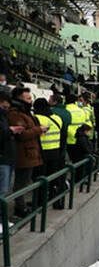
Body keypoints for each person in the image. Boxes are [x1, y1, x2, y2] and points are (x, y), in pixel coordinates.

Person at [7, 86, 47, 218]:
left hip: (31, 154)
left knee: (24, 182)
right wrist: (39, 129)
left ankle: (22, 206)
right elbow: (22, 134)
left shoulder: (25, 113)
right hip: (24, 155)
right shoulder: (15, 114)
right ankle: (20, 208)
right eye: (28, 98)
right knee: (20, 184)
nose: (31, 101)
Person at [0, 86, 24, 199]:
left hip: (8, 158)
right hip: (3, 159)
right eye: (4, 106)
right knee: (2, 191)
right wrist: (10, 130)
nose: (7, 108)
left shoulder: (4, 117)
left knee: (5, 191)